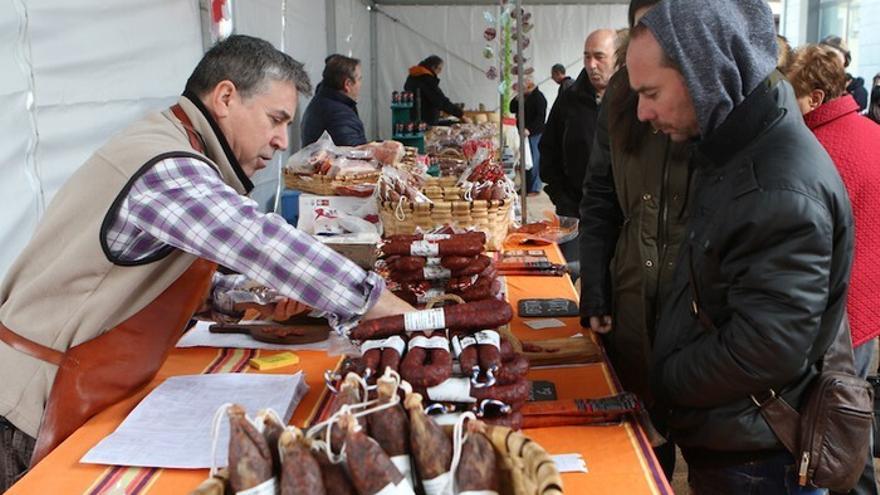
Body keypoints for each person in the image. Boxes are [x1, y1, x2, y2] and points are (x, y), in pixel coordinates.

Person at [0, 35, 414, 490]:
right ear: (225, 97)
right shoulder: (165, 163)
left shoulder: (174, 143)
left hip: (79, 386)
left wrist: (250, 298)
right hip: (29, 403)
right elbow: (259, 240)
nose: (282, 141)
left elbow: (151, 277)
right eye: (276, 119)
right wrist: (386, 306)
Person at [630, 1, 853, 493]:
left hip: (758, 459)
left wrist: (666, 378)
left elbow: (767, 347)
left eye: (651, 93)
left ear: (703, 74)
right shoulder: (740, 149)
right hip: (738, 440)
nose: (643, 112)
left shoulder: (776, 183)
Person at [578, 0, 690, 478]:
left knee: (703, 433)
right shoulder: (623, 93)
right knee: (642, 428)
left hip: (694, 297)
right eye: (642, 26)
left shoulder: (715, 96)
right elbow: (600, 196)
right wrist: (595, 288)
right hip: (631, 289)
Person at [786, 44, 880, 495]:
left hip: (832, 312)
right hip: (867, 299)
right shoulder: (872, 133)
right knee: (852, 413)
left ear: (816, 98)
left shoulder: (815, 149)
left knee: (829, 424)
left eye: (792, 95)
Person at [539, 28, 618, 269]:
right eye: (587, 56)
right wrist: (561, 197)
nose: (591, 64)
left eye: (599, 56)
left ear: (618, 57)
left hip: (621, 217)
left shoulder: (632, 99)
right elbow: (548, 148)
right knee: (571, 273)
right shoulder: (569, 99)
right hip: (574, 211)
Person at [301, 54, 367, 146]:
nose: (361, 84)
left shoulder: (321, 100)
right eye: (359, 79)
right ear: (347, 84)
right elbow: (355, 151)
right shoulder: (340, 115)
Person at [403, 55, 468, 125]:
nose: (440, 72)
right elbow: (441, 101)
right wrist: (461, 115)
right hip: (425, 122)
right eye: (439, 69)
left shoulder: (412, 76)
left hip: (412, 118)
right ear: (433, 67)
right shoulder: (426, 78)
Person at [509, 79, 547, 195]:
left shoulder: (539, 98)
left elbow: (540, 118)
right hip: (523, 133)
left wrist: (529, 129)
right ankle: (526, 187)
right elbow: (512, 108)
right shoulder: (523, 97)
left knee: (534, 161)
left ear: (529, 87)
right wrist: (517, 97)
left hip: (534, 134)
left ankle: (535, 187)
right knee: (525, 161)